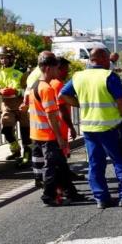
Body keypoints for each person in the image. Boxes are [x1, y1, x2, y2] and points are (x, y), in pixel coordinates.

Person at [59, 46, 122, 208]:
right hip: (111, 127)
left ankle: (101, 198)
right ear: (104, 59)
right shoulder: (108, 76)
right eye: (108, 59)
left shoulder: (78, 76)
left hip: (89, 129)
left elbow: (63, 95)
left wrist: (81, 105)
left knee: (95, 164)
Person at [29, 52, 85, 207]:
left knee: (61, 166)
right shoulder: (46, 89)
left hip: (38, 134)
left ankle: (71, 193)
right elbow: (51, 116)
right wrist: (60, 137)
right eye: (55, 68)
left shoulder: (35, 85)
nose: (58, 71)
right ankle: (49, 196)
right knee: (52, 167)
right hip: (49, 136)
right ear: (47, 68)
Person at [0, 47, 31, 163]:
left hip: (22, 104)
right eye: (1, 58)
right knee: (6, 128)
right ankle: (15, 150)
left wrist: (16, 92)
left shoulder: (22, 70)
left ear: (12, 58)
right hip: (7, 105)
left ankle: (27, 152)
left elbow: (29, 89)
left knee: (25, 130)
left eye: (6, 58)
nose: (3, 61)